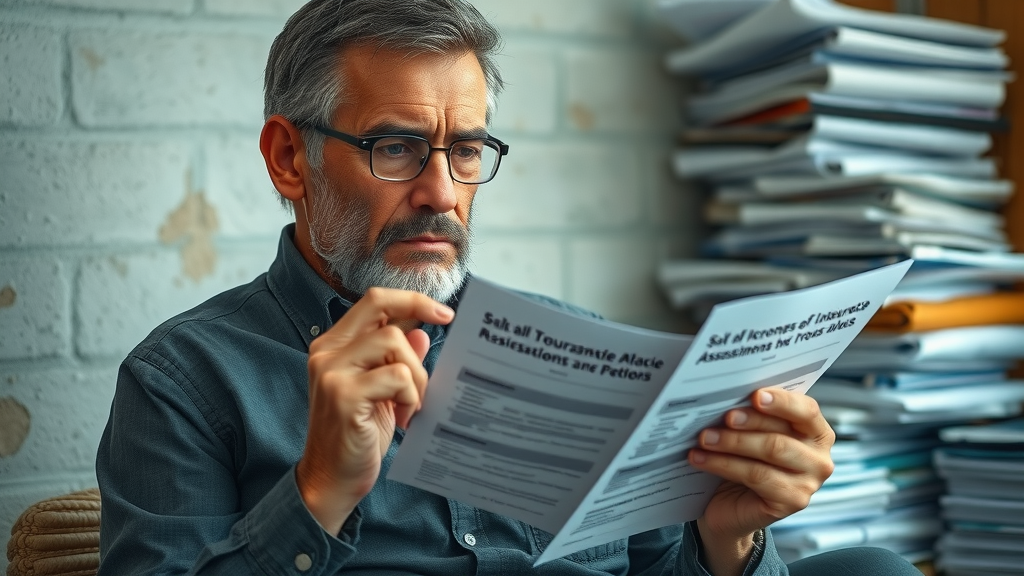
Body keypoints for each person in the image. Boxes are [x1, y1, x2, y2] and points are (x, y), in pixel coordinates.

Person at [95, 1, 924, 574]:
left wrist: (727, 540)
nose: (441, 192)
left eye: (465, 150)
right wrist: (318, 494)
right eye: (395, 147)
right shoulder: (186, 380)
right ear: (289, 159)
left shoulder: (574, 348)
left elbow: (662, 567)